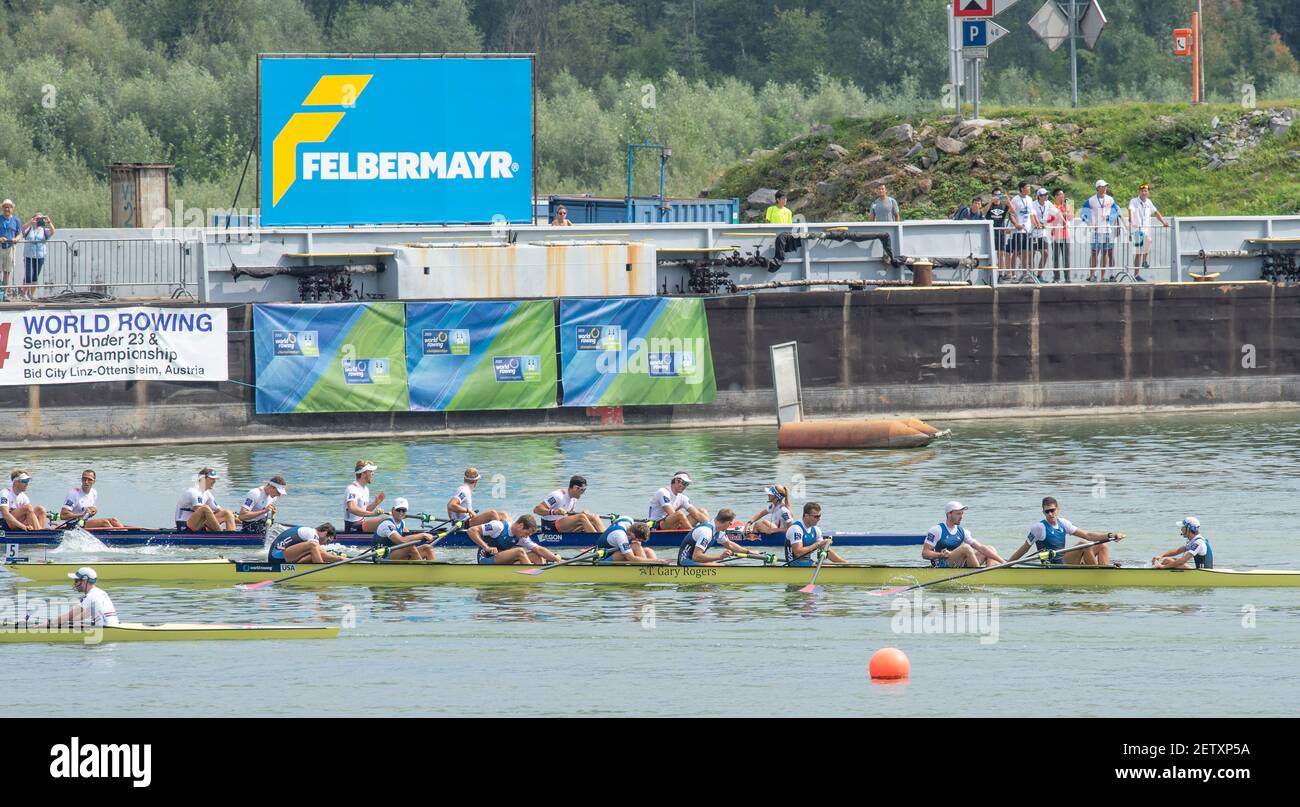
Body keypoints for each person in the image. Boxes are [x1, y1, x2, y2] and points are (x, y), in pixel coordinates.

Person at [1006, 496, 1125, 567]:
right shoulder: (1039, 528)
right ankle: (1095, 574)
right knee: (1083, 544)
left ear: (1057, 509)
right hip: (1052, 564)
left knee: (1102, 545)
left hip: (1064, 560)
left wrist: (1110, 535)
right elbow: (1025, 548)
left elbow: (1088, 535)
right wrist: (1007, 564)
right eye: (1047, 511)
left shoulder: (1063, 523)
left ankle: (1104, 573)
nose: (1050, 514)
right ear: (1043, 512)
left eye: (1052, 510)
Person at [921, 501, 1004, 568]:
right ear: (949, 514)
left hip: (958, 563)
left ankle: (991, 572)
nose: (961, 517)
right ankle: (979, 576)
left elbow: (981, 548)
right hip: (942, 564)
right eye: (958, 514)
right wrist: (940, 555)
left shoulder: (963, 531)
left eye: (962, 514)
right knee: (966, 547)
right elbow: (925, 553)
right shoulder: (936, 530)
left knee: (989, 548)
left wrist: (1002, 561)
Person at [469, 513, 561, 565]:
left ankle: (540, 581)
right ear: (520, 526)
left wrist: (556, 559)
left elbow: (539, 549)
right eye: (526, 533)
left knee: (536, 555)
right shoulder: (498, 526)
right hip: (485, 559)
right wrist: (486, 547)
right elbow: (472, 530)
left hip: (501, 560)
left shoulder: (520, 537)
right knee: (519, 551)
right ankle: (530, 578)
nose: (526, 536)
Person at [677, 508, 758, 566]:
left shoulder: (717, 531)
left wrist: (748, 552)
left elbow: (730, 545)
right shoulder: (706, 532)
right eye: (731, 524)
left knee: (720, 565)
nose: (730, 525)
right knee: (720, 566)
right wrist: (720, 557)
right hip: (684, 562)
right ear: (728, 523)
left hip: (694, 561)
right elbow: (697, 556)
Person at [49, 567, 118, 627]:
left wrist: (45, 624)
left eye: (76, 581)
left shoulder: (90, 596)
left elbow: (69, 616)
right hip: (113, 625)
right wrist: (64, 621)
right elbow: (83, 615)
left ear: (84, 581)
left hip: (106, 629)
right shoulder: (101, 593)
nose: (74, 584)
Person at [784, 502, 847, 566]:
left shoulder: (816, 530)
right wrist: (818, 544)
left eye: (819, 516)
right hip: (793, 563)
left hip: (807, 562)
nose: (819, 519)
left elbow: (824, 548)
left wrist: (844, 564)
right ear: (806, 516)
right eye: (816, 516)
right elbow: (798, 552)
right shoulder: (796, 529)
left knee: (838, 565)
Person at [174, 467, 236, 532]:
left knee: (227, 513)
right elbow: (201, 510)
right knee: (205, 508)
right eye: (212, 479)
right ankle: (221, 533)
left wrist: (238, 518)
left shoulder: (207, 494)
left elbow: (220, 510)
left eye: (215, 479)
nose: (214, 481)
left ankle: (232, 535)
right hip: (184, 525)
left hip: (198, 524)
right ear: (203, 479)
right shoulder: (193, 492)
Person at [58, 469, 125, 529]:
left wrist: (93, 512)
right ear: (81, 480)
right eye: (84, 479)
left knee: (113, 520)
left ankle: (125, 534)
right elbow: (63, 515)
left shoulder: (94, 492)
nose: (86, 482)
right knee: (105, 523)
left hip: (84, 522)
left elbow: (91, 509)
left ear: (94, 481)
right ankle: (117, 539)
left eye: (89, 479)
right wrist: (82, 515)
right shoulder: (73, 494)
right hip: (73, 524)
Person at [534, 475, 603, 533]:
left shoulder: (573, 499)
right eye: (582, 490)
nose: (583, 493)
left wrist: (578, 513)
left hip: (561, 525)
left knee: (593, 517)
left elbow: (568, 515)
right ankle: (596, 540)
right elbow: (537, 509)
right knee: (582, 517)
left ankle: (606, 537)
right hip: (549, 526)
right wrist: (554, 511)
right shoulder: (558, 496)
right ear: (575, 488)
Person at [1081, 180, 1121, 282]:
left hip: (1107, 231)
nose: (1105, 188)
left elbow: (1117, 211)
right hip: (1096, 231)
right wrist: (1090, 224)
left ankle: (1103, 276)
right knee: (1094, 253)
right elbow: (1083, 214)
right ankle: (1092, 275)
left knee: (1105, 253)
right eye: (1103, 186)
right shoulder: (1091, 200)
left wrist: (1110, 218)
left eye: (1106, 186)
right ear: (1098, 188)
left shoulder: (1110, 199)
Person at [1127, 183, 1167, 282]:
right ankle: (1143, 263)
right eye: (1142, 191)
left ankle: (1137, 273)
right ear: (1139, 192)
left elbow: (1156, 212)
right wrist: (1132, 221)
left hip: (1146, 229)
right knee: (1147, 243)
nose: (1144, 192)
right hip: (1138, 229)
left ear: (1148, 192)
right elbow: (1130, 210)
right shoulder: (1134, 201)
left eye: (1146, 191)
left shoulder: (1149, 202)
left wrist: (1163, 221)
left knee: (1139, 253)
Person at [594, 516, 663, 563]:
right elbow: (631, 558)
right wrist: (655, 561)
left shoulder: (628, 519)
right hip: (601, 559)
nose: (639, 542)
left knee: (648, 550)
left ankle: (655, 568)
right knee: (635, 546)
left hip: (613, 551)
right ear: (633, 535)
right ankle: (645, 568)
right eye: (639, 539)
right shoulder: (620, 535)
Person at [344, 460, 387, 533]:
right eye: (371, 471)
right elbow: (352, 509)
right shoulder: (352, 489)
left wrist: (375, 503)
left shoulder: (366, 489)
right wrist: (374, 514)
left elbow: (364, 511)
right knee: (385, 521)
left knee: (396, 521)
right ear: (363, 473)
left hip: (361, 524)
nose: (373, 474)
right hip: (352, 526)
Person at [267, 523, 344, 564]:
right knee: (313, 545)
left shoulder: (309, 534)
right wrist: (339, 558)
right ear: (325, 533)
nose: (325, 544)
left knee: (313, 554)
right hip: (276, 557)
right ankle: (321, 570)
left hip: (286, 556)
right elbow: (319, 551)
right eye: (328, 541)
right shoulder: (312, 532)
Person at [1006, 181, 1037, 281]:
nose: (1029, 189)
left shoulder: (1030, 199)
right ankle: (1013, 273)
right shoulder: (1015, 199)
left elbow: (1031, 213)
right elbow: (1011, 214)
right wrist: (1016, 224)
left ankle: (1025, 273)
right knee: (1015, 252)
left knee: (1025, 252)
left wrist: (1035, 224)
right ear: (1021, 188)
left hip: (1027, 230)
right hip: (1018, 231)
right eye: (1027, 187)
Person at [20, 212, 53, 301]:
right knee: (28, 275)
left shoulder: (43, 230)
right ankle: (24, 293)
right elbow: (22, 229)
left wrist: (48, 222)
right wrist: (30, 222)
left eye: (40, 219)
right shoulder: (29, 228)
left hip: (40, 256)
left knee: (35, 276)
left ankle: (31, 294)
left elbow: (52, 232)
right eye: (37, 218)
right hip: (29, 255)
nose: (38, 220)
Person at [1031, 188, 1059, 281]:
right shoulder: (1033, 204)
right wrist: (1038, 224)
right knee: (1032, 254)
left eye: (1047, 194)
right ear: (1039, 196)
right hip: (1033, 232)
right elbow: (1032, 216)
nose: (1046, 196)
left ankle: (1039, 275)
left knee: (1045, 253)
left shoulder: (1048, 203)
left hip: (1042, 233)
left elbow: (1056, 213)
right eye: (1044, 195)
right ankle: (1031, 275)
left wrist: (1063, 219)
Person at [1050, 188, 1074, 283]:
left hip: (1065, 235)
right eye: (1060, 194)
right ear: (1056, 196)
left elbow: (1070, 218)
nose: (1062, 196)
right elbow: (1051, 219)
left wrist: (1066, 209)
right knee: (1055, 257)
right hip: (1055, 235)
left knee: (1066, 257)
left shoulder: (1068, 205)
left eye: (1063, 194)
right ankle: (1056, 278)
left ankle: (1067, 278)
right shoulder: (1052, 206)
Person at [0, 199, 20, 298]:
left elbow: (19, 233)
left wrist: (16, 239)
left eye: (9, 207)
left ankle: (5, 293)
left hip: (10, 248)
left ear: (12, 208)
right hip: (0, 247)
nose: (7, 209)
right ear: (2, 208)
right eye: (5, 207)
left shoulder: (16, 220)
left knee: (7, 272)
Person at [986, 188, 1010, 269]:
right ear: (992, 195)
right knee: (990, 254)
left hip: (1001, 233)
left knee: (1001, 254)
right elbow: (983, 212)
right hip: (990, 233)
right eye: (995, 195)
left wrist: (1008, 201)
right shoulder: (990, 205)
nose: (997, 196)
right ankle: (991, 273)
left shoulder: (1004, 206)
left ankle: (1000, 274)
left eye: (999, 195)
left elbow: (1013, 212)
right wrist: (990, 202)